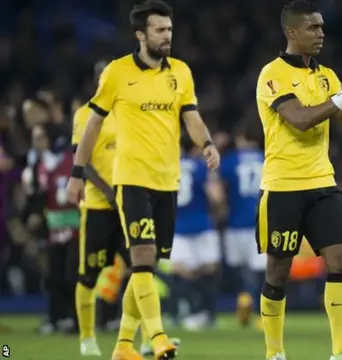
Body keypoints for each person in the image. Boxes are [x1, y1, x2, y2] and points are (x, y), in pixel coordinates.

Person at [65, 1, 220, 359]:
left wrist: (207, 143)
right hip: (132, 180)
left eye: (169, 29)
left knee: (147, 266)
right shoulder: (117, 73)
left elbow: (191, 116)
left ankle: (122, 345)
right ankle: (158, 336)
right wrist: (76, 173)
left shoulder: (180, 72)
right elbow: (93, 124)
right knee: (143, 258)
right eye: (160, 30)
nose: (168, 36)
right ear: (141, 35)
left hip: (168, 181)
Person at [255, 1, 342, 359]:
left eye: (322, 27)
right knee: (278, 272)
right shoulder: (272, 74)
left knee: (341, 260)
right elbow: (300, 119)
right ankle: (274, 352)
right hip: (282, 187)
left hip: (322, 183)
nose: (321, 33)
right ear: (292, 32)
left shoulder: (326, 75)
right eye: (312, 28)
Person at [71, 64, 126, 356]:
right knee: (89, 274)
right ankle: (88, 338)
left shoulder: (130, 112)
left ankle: (138, 338)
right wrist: (108, 190)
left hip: (129, 203)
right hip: (97, 206)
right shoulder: (85, 114)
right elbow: (81, 160)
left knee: (142, 268)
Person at [24, 124, 78, 335]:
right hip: (53, 227)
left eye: (40, 138)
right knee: (54, 277)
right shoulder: (39, 165)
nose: (37, 143)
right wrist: (36, 216)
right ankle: (57, 318)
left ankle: (75, 318)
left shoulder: (69, 161)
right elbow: (38, 197)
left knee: (71, 276)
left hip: (74, 227)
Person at [216, 122, 266, 328]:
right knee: (259, 269)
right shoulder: (266, 158)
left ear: (240, 139)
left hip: (235, 222)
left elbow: (218, 190)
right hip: (260, 220)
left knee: (238, 266)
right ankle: (261, 310)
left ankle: (243, 298)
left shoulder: (230, 161)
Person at [169, 135, 221, 331]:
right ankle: (206, 313)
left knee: (182, 270)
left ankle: (181, 312)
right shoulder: (200, 166)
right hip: (202, 223)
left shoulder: (168, 166)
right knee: (208, 269)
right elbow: (215, 196)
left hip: (179, 225)